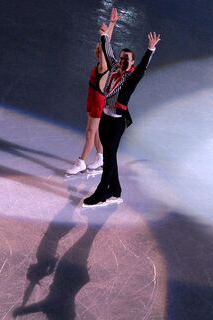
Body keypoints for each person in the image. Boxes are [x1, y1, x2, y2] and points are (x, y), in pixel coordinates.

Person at [83, 26, 161, 206]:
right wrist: (103, 35)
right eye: (122, 57)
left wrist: (150, 49)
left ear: (132, 62)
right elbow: (108, 50)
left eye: (127, 59)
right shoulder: (113, 70)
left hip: (117, 123)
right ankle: (116, 189)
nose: (123, 61)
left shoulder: (131, 77)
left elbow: (142, 68)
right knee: (111, 155)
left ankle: (102, 193)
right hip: (104, 118)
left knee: (109, 158)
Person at [66, 8, 118, 176]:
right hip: (93, 99)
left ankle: (81, 162)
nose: (97, 49)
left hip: (97, 102)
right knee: (95, 132)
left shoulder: (104, 66)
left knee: (90, 132)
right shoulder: (103, 65)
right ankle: (101, 158)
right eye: (97, 48)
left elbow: (105, 45)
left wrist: (105, 33)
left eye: (99, 49)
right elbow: (106, 44)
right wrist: (112, 24)